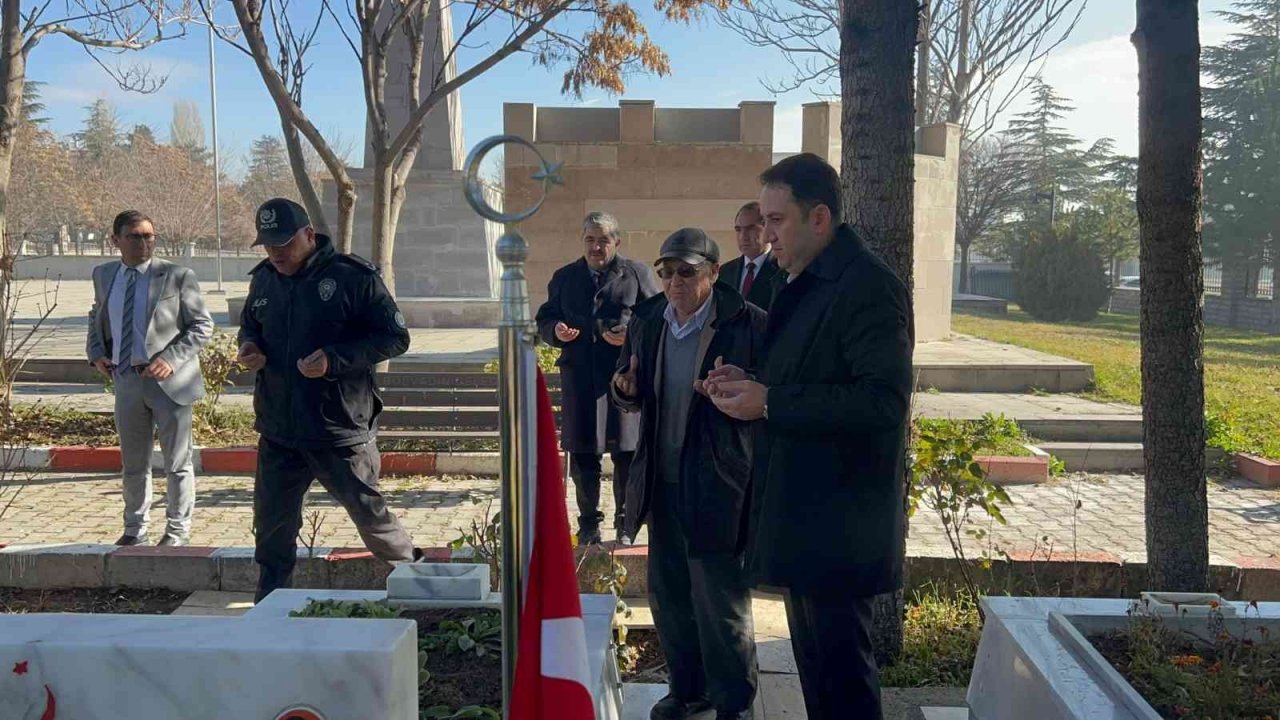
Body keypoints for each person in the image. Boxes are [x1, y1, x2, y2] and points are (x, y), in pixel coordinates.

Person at [705, 153, 914, 719]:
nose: (765, 235)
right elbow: (810, 374)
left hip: (841, 522)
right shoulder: (803, 278)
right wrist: (750, 381)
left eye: (776, 221)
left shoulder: (867, 286)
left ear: (819, 218)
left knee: (843, 686)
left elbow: (883, 401)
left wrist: (771, 401)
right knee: (820, 679)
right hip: (805, 513)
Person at [611, 228, 765, 720]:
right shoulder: (648, 319)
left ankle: (733, 703)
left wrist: (743, 388)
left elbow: (768, 394)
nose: (675, 281)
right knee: (671, 596)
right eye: (666, 272)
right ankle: (687, 691)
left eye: (686, 271)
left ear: (713, 272)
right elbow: (629, 382)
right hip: (662, 480)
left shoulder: (747, 322)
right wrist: (625, 389)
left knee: (720, 600)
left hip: (719, 480)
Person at [237, 197, 421, 602]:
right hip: (279, 428)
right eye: (268, 245)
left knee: (371, 518)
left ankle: (423, 586)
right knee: (271, 529)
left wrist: (335, 359)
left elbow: (395, 338)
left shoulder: (352, 277)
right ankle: (269, 608)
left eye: (284, 243)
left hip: (338, 428)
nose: (276, 253)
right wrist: (249, 346)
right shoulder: (264, 279)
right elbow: (250, 324)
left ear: (309, 234)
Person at [87, 210, 214, 547]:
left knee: (177, 463)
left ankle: (176, 531)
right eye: (135, 236)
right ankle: (134, 529)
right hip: (126, 380)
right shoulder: (104, 275)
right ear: (115, 240)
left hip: (170, 384)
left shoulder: (177, 276)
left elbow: (202, 326)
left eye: (149, 236)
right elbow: (96, 314)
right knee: (133, 464)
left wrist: (170, 360)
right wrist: (96, 351)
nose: (144, 243)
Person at [535, 211, 660, 545]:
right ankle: (589, 523)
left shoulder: (636, 274)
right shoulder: (565, 277)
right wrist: (556, 331)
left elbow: (658, 317)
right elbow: (545, 319)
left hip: (623, 378)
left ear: (616, 241)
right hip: (580, 378)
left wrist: (631, 333)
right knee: (583, 454)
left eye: (603, 240)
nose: (596, 247)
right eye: (590, 239)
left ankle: (625, 522)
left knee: (626, 453)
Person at [718, 201, 781, 310]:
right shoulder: (725, 271)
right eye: (738, 230)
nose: (743, 236)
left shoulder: (783, 270)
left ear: (767, 229)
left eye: (750, 228)